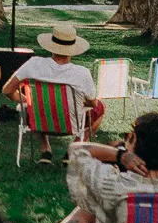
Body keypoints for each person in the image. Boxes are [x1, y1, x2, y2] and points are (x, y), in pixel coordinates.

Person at [7, 22, 102, 162]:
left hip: (39, 122)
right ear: (72, 49)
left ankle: (45, 148)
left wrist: (26, 100)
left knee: (31, 107)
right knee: (100, 107)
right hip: (71, 124)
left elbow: (7, 90)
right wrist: (76, 100)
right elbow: (92, 103)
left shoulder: (33, 64)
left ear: (52, 45)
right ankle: (73, 149)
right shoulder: (81, 73)